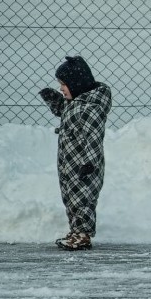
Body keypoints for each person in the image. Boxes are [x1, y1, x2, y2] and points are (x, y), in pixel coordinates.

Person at [39, 55, 112, 251]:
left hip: (85, 166)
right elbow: (65, 112)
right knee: (71, 199)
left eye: (64, 85)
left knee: (84, 200)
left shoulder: (90, 109)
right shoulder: (75, 104)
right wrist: (53, 98)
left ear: (77, 84)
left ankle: (83, 235)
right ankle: (75, 231)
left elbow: (93, 138)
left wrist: (88, 163)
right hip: (69, 164)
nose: (61, 88)